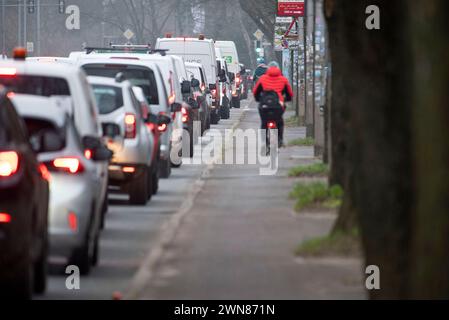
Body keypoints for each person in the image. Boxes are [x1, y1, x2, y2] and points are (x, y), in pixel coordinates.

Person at [253, 61, 293, 147]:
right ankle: (280, 139)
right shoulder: (283, 79)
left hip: (264, 105)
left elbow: (256, 91)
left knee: (264, 122)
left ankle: (264, 141)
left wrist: (258, 99)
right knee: (280, 121)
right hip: (278, 105)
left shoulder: (262, 78)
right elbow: (289, 93)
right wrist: (287, 99)